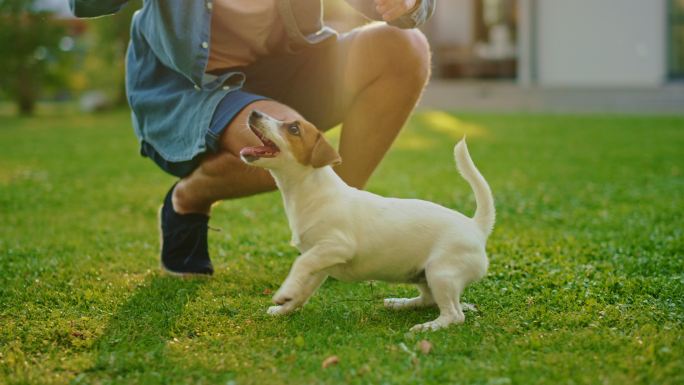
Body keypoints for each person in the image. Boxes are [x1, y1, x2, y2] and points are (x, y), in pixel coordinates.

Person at [70, 0, 435, 276]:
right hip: (193, 88)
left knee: (404, 46)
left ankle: (341, 222)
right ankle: (189, 196)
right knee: (287, 144)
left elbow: (397, 8)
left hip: (291, 67)